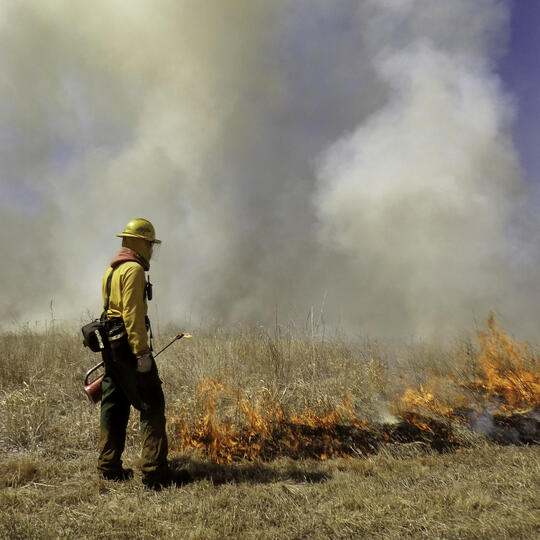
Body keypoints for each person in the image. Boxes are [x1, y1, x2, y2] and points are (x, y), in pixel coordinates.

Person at [97, 218, 188, 489]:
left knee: (114, 405)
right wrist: (142, 355)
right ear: (139, 242)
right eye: (149, 243)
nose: (150, 249)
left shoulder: (112, 269)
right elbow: (133, 317)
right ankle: (154, 473)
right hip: (128, 348)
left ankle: (108, 466)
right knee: (152, 404)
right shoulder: (134, 270)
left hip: (110, 349)